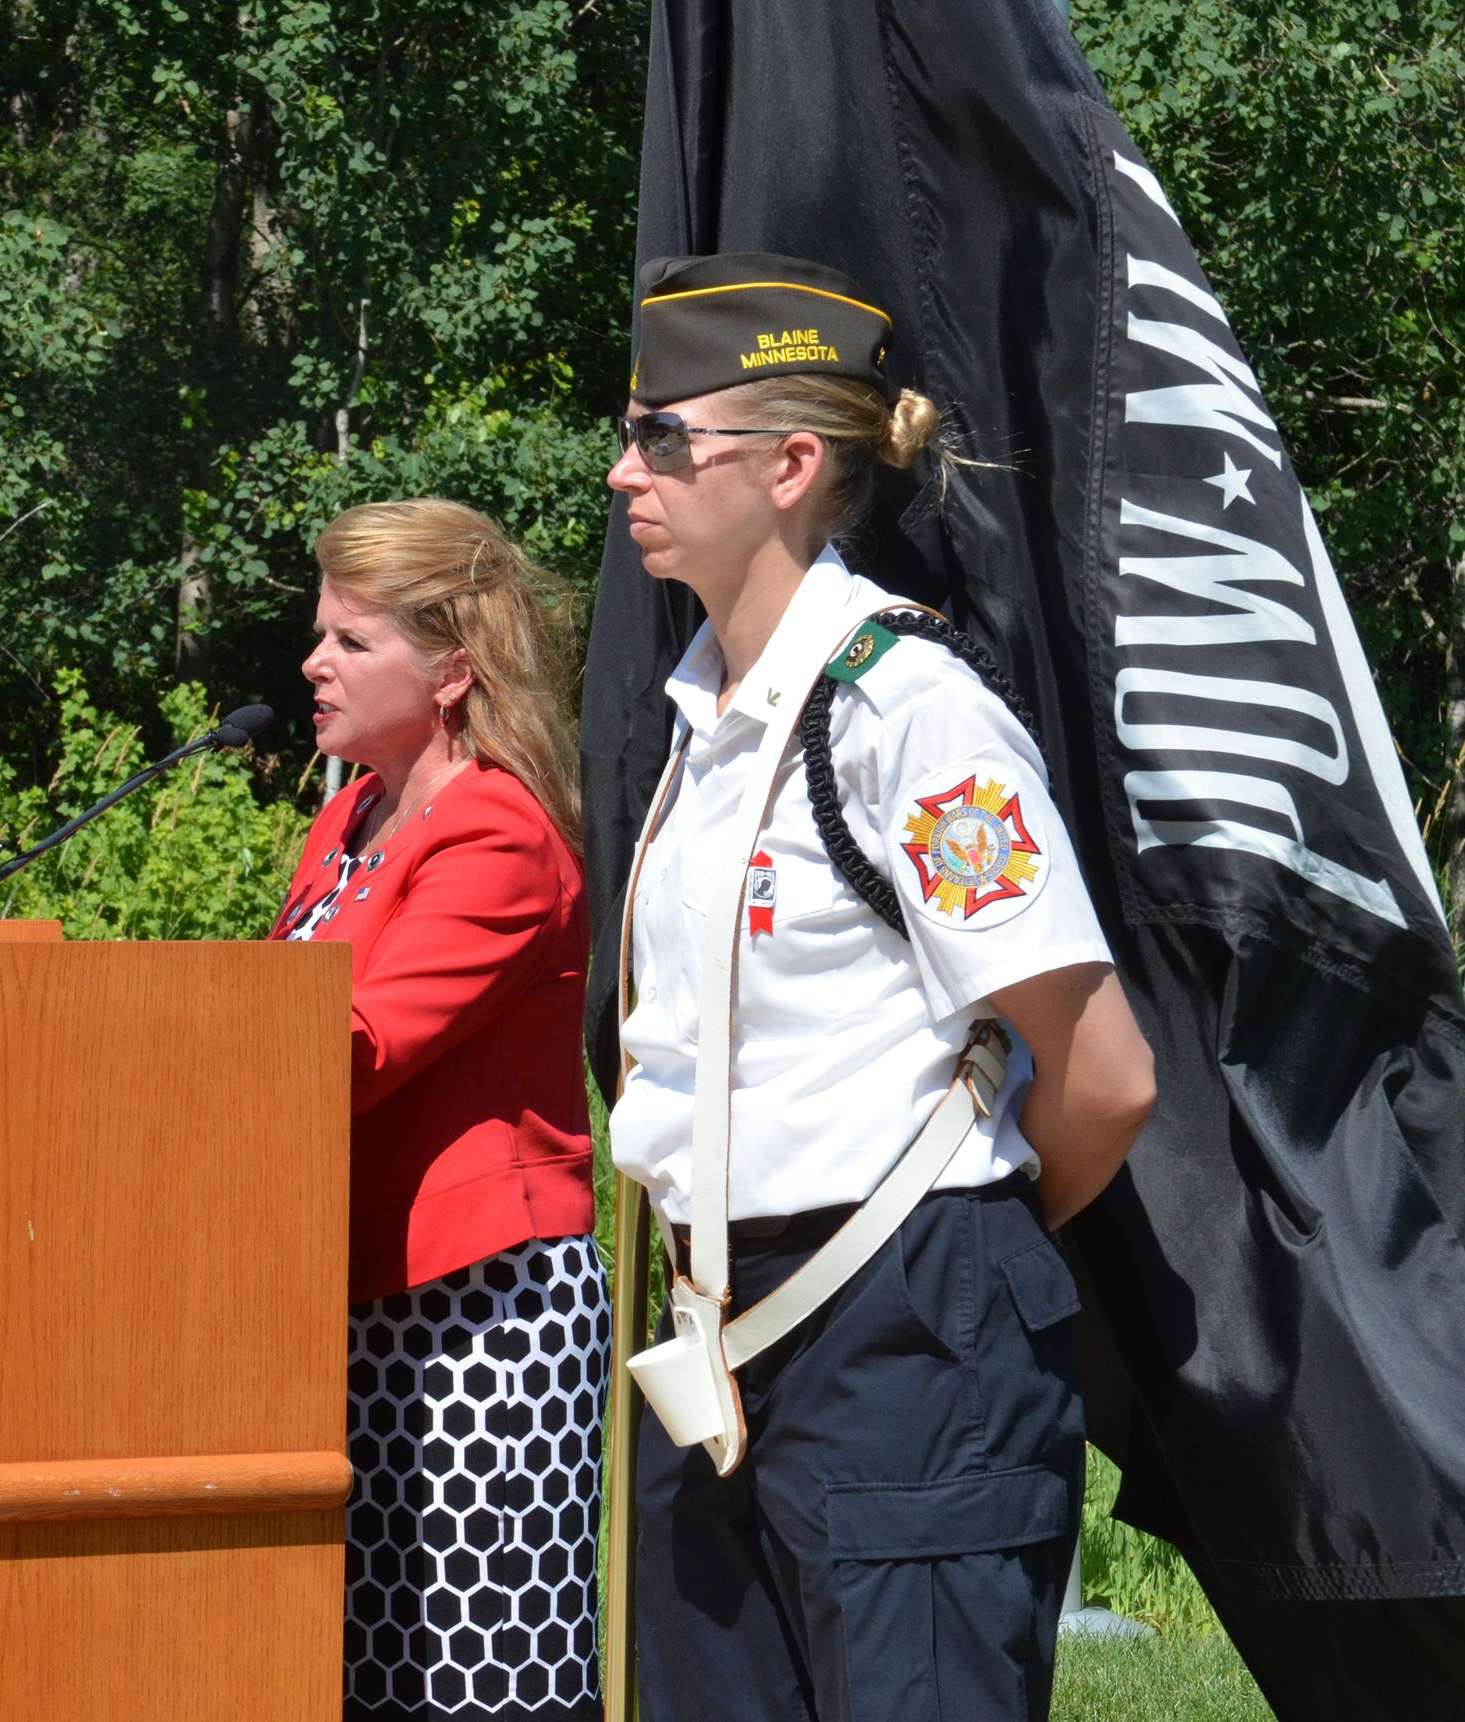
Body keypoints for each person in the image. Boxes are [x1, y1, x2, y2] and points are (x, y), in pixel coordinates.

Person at [604, 253, 1158, 1722]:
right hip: (717, 1332)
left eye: (665, 438)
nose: (624, 471)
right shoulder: (703, 717)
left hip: (907, 1334)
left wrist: (943, 1259)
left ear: (792, 466)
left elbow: (1103, 1072)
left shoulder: (907, 710)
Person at [273, 500, 605, 1722]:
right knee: (360, 1678)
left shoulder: (498, 829)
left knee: (467, 1683)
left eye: (351, 642)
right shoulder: (348, 818)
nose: (313, 664)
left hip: (476, 1325)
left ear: (453, 669)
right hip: (351, 1309)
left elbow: (357, 1049)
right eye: (322, 637)